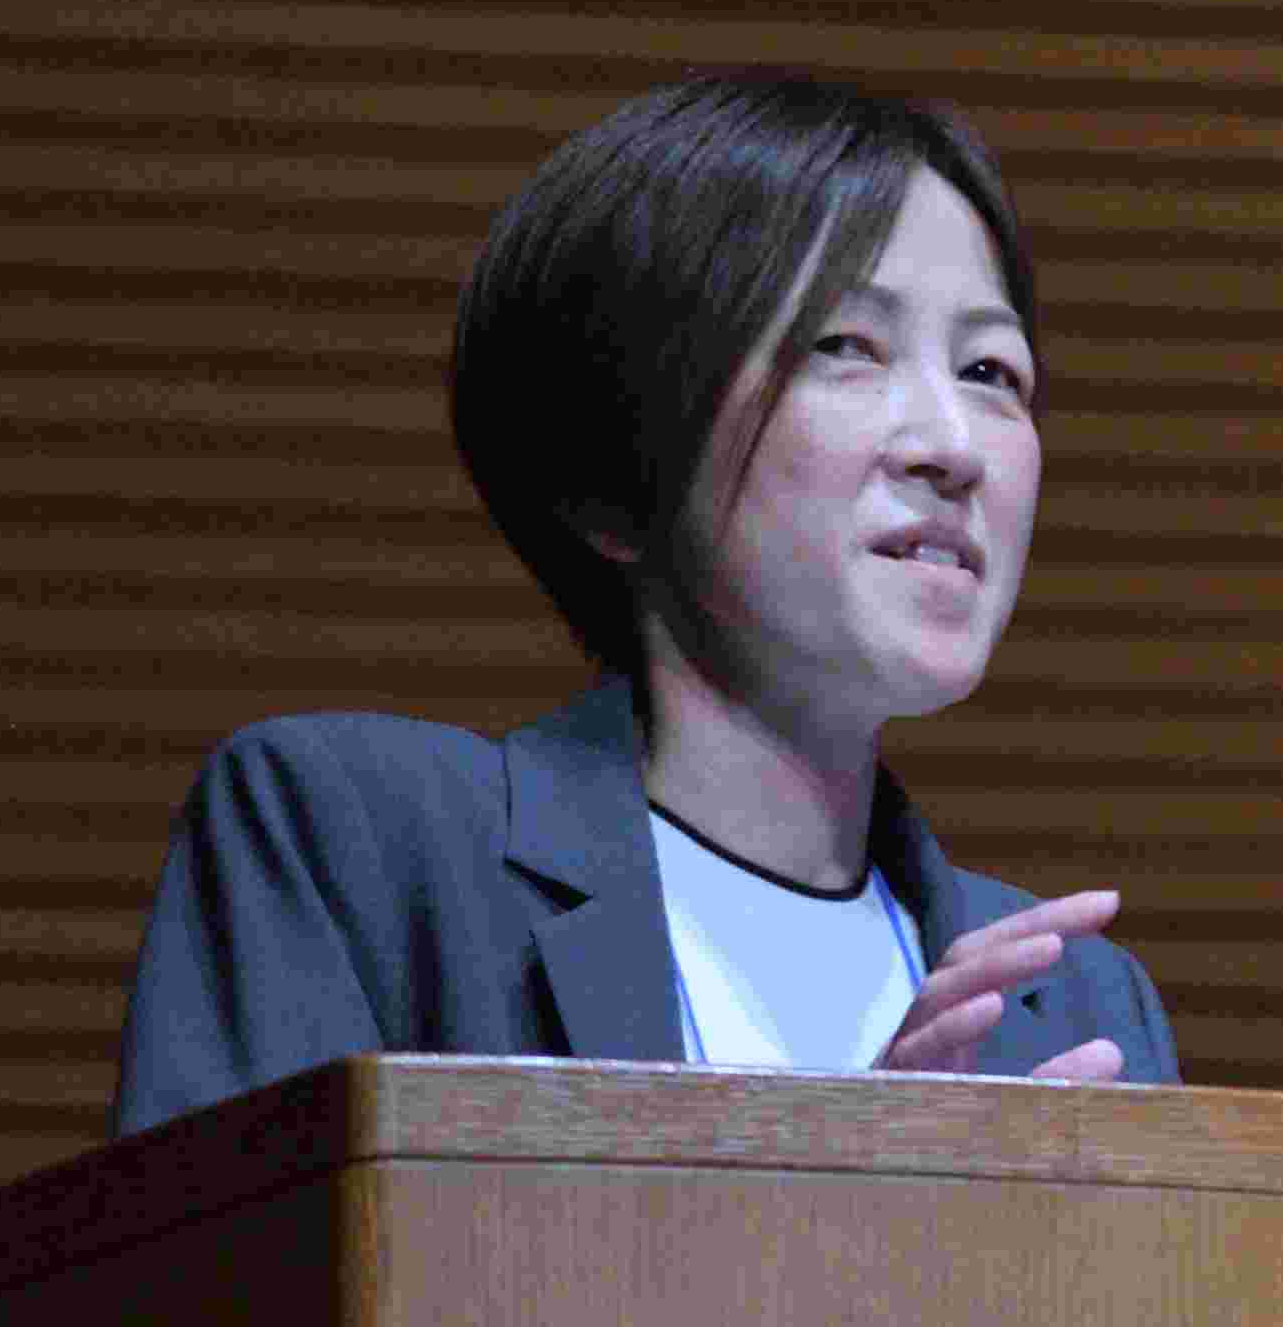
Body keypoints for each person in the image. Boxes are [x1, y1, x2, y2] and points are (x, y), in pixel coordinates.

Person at [112, 71, 1173, 1133]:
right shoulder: (361, 848)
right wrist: (850, 1190)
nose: (953, 446)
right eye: (845, 346)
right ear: (611, 479)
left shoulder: (1080, 999)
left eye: (991, 370)